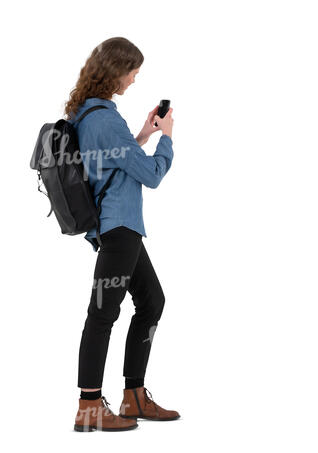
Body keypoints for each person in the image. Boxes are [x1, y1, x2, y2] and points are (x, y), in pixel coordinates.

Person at [66, 37, 180, 432]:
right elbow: (149, 175)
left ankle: (134, 396)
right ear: (116, 70)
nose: (135, 78)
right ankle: (89, 405)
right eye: (133, 71)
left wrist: (143, 135)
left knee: (152, 301)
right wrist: (167, 137)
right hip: (121, 228)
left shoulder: (89, 116)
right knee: (101, 316)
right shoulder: (106, 119)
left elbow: (114, 163)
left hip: (116, 228)